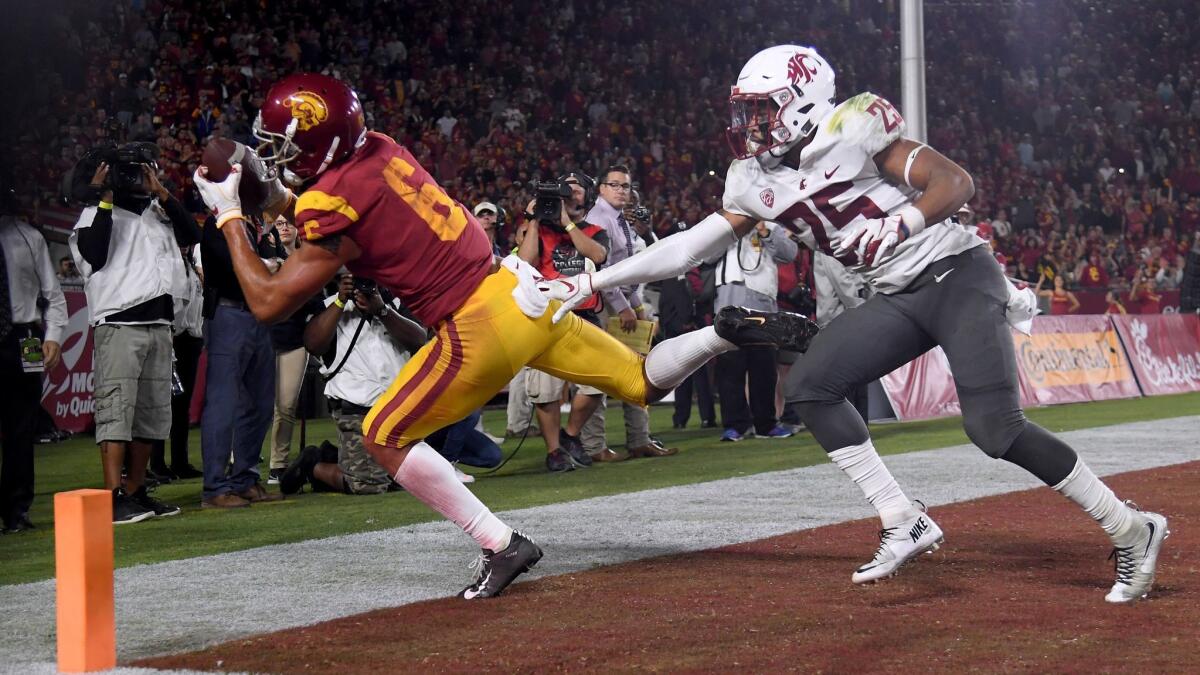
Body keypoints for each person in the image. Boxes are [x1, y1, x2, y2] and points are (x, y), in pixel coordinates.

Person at [544, 45, 1168, 603]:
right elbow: (685, 250)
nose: (749, 126)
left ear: (804, 102)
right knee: (813, 385)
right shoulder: (752, 180)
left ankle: (1130, 527)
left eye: (762, 110)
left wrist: (900, 224)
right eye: (746, 112)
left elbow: (954, 182)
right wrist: (591, 281)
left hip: (955, 274)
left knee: (994, 428)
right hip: (897, 295)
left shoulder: (854, 126)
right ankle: (903, 517)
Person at [192, 73, 808, 599]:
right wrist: (254, 182)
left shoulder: (333, 198)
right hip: (523, 294)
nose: (277, 154)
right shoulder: (377, 149)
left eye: (284, 144)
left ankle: (501, 544)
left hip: (475, 323)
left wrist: (227, 213)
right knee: (641, 382)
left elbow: (269, 302)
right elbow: (307, 202)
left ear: (317, 140)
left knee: (383, 434)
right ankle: (722, 335)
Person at [69, 152, 193, 524]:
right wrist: (105, 198)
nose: (136, 179)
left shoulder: (158, 213)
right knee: (116, 411)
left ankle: (136, 490)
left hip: (159, 323)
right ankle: (111, 496)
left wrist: (164, 194)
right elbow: (94, 253)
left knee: (151, 415)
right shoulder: (94, 213)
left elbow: (193, 235)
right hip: (119, 323)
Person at [282, 272, 427, 496]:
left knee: (410, 479)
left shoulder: (394, 303)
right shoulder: (329, 307)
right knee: (369, 485)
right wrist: (341, 300)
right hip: (357, 410)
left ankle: (333, 457)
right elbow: (313, 345)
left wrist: (382, 310)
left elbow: (419, 339)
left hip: (397, 409)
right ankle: (314, 466)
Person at [515, 170, 617, 470]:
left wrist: (567, 224)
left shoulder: (596, 229)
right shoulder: (538, 229)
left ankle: (570, 435)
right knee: (545, 390)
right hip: (547, 318)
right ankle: (555, 451)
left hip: (585, 316)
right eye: (566, 188)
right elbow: (523, 262)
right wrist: (534, 220)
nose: (571, 193)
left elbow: (597, 255)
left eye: (577, 189)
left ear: (588, 195)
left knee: (598, 383)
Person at [585, 165, 679, 460]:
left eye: (625, 186)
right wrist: (625, 307)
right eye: (614, 185)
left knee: (637, 370)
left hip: (622, 303)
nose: (621, 190)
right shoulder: (599, 219)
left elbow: (631, 266)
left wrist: (636, 304)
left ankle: (639, 438)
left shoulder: (618, 218)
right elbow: (605, 271)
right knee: (598, 375)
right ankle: (593, 445)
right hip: (605, 306)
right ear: (601, 188)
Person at [198, 201, 284, 509]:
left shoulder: (256, 226)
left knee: (260, 404)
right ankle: (215, 487)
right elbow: (229, 265)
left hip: (258, 316)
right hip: (228, 314)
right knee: (222, 404)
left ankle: (244, 479)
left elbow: (282, 262)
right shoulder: (217, 223)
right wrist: (265, 264)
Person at [1, 181, 67, 533]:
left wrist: (54, 336)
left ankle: (16, 510)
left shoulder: (29, 237)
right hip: (19, 335)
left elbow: (53, 294)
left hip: (23, 335)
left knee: (21, 428)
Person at [711, 220, 799, 442]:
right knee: (730, 367)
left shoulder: (770, 224)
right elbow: (706, 257)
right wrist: (728, 232)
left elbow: (790, 253)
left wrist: (765, 231)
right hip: (729, 298)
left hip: (762, 301)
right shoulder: (723, 224)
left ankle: (766, 424)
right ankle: (735, 425)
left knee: (764, 368)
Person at [266, 216, 311, 484]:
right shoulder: (266, 253)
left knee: (285, 406)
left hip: (294, 339)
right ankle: (239, 462)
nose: (284, 227)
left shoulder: (308, 259)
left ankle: (278, 464)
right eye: (279, 223)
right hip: (265, 337)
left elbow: (316, 299)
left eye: (288, 223)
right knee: (254, 406)